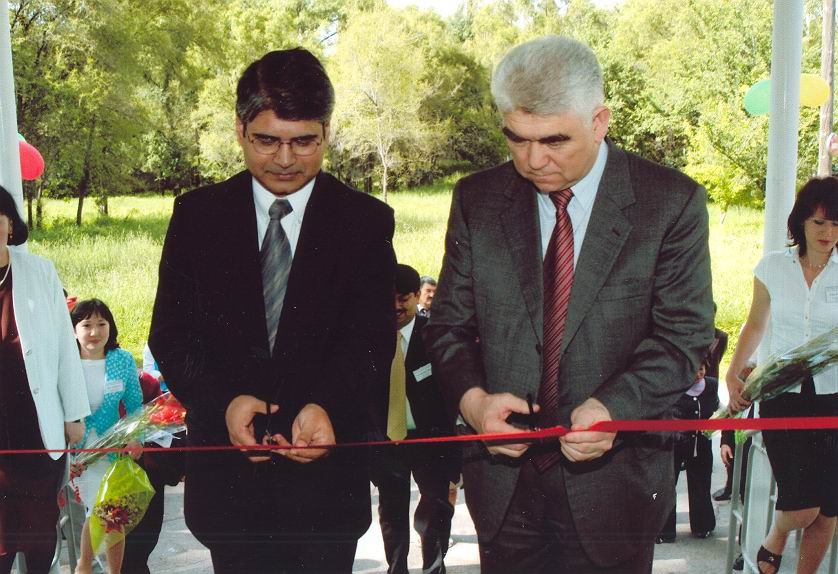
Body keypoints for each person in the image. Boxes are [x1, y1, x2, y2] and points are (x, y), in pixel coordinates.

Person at [423, 35, 714, 573]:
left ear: (600, 121)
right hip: (504, 491)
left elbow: (683, 335)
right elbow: (447, 328)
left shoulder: (670, 202)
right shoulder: (476, 199)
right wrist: (474, 403)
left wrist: (613, 409)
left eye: (554, 140)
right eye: (517, 138)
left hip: (615, 490)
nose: (534, 160)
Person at [148, 47, 396, 573]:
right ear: (240, 130)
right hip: (229, 493)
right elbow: (170, 334)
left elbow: (373, 340)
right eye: (267, 140)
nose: (285, 159)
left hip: (326, 493)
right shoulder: (197, 216)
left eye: (303, 141)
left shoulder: (365, 221)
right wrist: (223, 404)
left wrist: (328, 406)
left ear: (327, 132)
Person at [725, 176, 838, 574]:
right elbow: (755, 325)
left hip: (833, 398)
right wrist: (734, 373)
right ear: (801, 221)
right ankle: (776, 535)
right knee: (803, 506)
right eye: (819, 222)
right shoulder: (772, 266)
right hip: (781, 395)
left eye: (836, 224)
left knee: (828, 510)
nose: (828, 233)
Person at [0, 185, 90, 574]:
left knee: (38, 533)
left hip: (35, 427)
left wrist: (73, 413)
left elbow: (65, 348)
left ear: (10, 225)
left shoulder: (39, 272)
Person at [371, 264, 458, 574]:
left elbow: (451, 391)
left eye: (403, 298)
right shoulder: (371, 338)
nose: (396, 306)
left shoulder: (434, 334)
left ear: (417, 295)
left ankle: (434, 568)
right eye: (389, 299)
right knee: (392, 512)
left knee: (435, 508)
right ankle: (396, 569)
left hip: (430, 440)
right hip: (388, 441)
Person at [69, 298, 143, 574]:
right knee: (102, 509)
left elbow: (135, 405)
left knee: (111, 512)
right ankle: (86, 567)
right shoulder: (65, 362)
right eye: (86, 325)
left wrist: (136, 437)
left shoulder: (122, 360)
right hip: (78, 451)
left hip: (113, 450)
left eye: (101, 324)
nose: (94, 332)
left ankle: (93, 568)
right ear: (73, 329)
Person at [657, 358, 718, 543]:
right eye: (694, 370)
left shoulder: (712, 385)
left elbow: (717, 408)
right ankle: (664, 531)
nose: (698, 374)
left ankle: (702, 526)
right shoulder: (673, 385)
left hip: (701, 444)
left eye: (701, 369)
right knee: (668, 486)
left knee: (701, 483)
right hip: (674, 443)